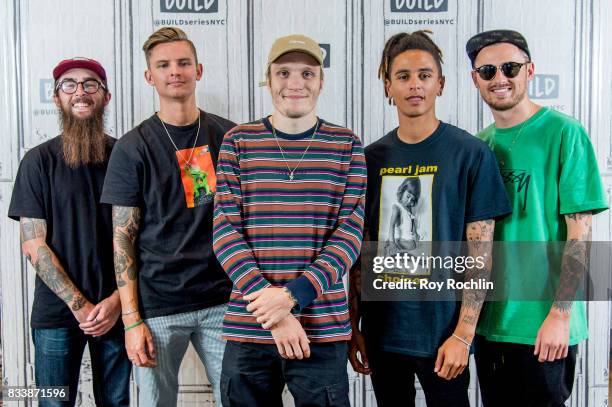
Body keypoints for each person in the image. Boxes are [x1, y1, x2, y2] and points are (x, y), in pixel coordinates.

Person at [348, 31, 512, 407]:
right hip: (383, 333)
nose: (414, 85)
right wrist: (354, 325)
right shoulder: (369, 159)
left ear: (441, 83)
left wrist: (463, 335)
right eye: (403, 76)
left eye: (424, 75)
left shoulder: (470, 154)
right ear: (388, 86)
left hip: (443, 336)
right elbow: (361, 249)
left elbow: (481, 255)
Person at [213, 34, 366, 406]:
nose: (295, 83)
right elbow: (225, 233)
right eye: (283, 72)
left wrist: (294, 297)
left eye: (307, 73)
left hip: (323, 331)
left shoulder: (346, 144)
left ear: (321, 81)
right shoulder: (238, 141)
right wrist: (278, 313)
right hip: (250, 328)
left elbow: (348, 236)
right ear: (268, 78)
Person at [466, 29, 609, 406]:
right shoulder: (479, 145)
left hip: (545, 327)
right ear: (475, 79)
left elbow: (580, 232)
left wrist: (560, 316)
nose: (500, 78)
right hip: (492, 327)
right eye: (488, 71)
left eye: (510, 67)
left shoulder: (565, 132)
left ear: (530, 70)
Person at [100, 27, 235, 406]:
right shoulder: (132, 147)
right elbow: (122, 238)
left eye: (183, 62)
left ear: (199, 70)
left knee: (239, 397)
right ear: (150, 76)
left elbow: (249, 220)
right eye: (163, 65)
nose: (174, 71)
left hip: (223, 301)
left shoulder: (230, 136)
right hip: (158, 305)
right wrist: (131, 320)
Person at [8, 57, 130, 406]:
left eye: (91, 84)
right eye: (69, 84)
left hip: (118, 311)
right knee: (53, 402)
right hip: (57, 314)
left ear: (105, 97)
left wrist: (115, 303)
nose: (80, 92)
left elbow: (142, 239)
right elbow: (34, 244)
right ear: (56, 97)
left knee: (116, 402)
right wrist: (80, 306)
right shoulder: (37, 161)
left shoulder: (126, 156)